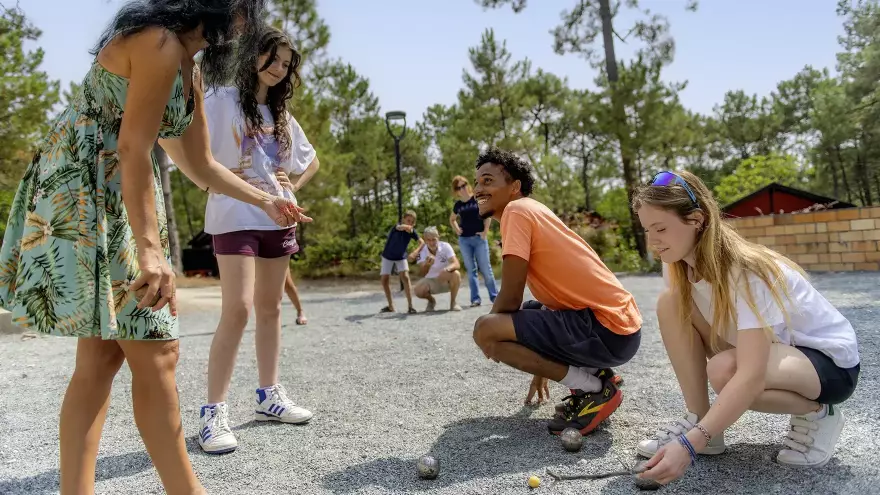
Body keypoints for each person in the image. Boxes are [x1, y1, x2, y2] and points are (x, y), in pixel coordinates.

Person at [0, 1, 311, 493]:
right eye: (244, 12)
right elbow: (132, 147)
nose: (245, 26)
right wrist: (150, 249)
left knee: (101, 360)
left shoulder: (190, 68)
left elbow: (201, 165)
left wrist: (267, 200)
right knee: (158, 352)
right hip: (89, 190)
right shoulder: (158, 43)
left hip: (119, 193)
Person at [631, 171, 861, 487]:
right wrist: (703, 432)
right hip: (776, 355)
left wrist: (689, 446)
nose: (652, 240)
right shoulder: (677, 266)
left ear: (696, 220)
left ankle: (820, 413)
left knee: (727, 371)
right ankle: (700, 419)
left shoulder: (746, 271)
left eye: (660, 228)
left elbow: (750, 375)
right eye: (646, 230)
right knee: (670, 304)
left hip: (828, 364)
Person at [197, 26, 319, 455]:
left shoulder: (281, 115)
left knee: (271, 308)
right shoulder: (221, 99)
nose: (278, 68)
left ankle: (269, 395)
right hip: (234, 215)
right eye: (272, 58)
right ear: (253, 56)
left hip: (280, 218)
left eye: (286, 64)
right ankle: (212, 413)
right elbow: (198, 156)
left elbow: (311, 159)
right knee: (239, 308)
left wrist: (294, 187)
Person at [470, 148, 642, 436]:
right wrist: (542, 366)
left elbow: (509, 297)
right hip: (616, 329)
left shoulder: (516, 210)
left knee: (487, 329)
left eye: (487, 181)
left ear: (514, 187)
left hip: (606, 329)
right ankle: (595, 374)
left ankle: (595, 389)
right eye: (476, 183)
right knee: (528, 311)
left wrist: (490, 337)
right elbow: (548, 305)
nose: (477, 189)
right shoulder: (531, 210)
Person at [449, 175, 498, 307]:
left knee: (486, 269)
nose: (462, 189)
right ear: (456, 190)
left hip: (479, 239)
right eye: (459, 187)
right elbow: (452, 219)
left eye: (464, 185)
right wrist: (457, 229)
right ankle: (475, 299)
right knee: (471, 271)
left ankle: (495, 298)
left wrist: (485, 231)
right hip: (465, 241)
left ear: (468, 184)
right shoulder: (458, 205)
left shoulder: (477, 198)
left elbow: (488, 213)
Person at [379, 210, 424, 314]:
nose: (410, 223)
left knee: (405, 277)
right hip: (387, 256)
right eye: (408, 220)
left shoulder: (412, 231)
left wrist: (415, 252)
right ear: (403, 219)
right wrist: (406, 227)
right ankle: (391, 306)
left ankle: (410, 306)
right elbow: (400, 227)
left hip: (400, 257)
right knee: (384, 280)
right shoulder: (396, 228)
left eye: (412, 222)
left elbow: (422, 242)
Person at [413, 227, 463, 312]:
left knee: (456, 274)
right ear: (425, 240)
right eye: (428, 240)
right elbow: (422, 274)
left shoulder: (445, 246)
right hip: (431, 281)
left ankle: (453, 303)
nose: (432, 242)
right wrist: (427, 265)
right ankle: (431, 301)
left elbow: (456, 263)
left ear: (438, 238)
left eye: (434, 239)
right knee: (418, 290)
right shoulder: (421, 251)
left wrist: (447, 269)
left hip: (445, 279)